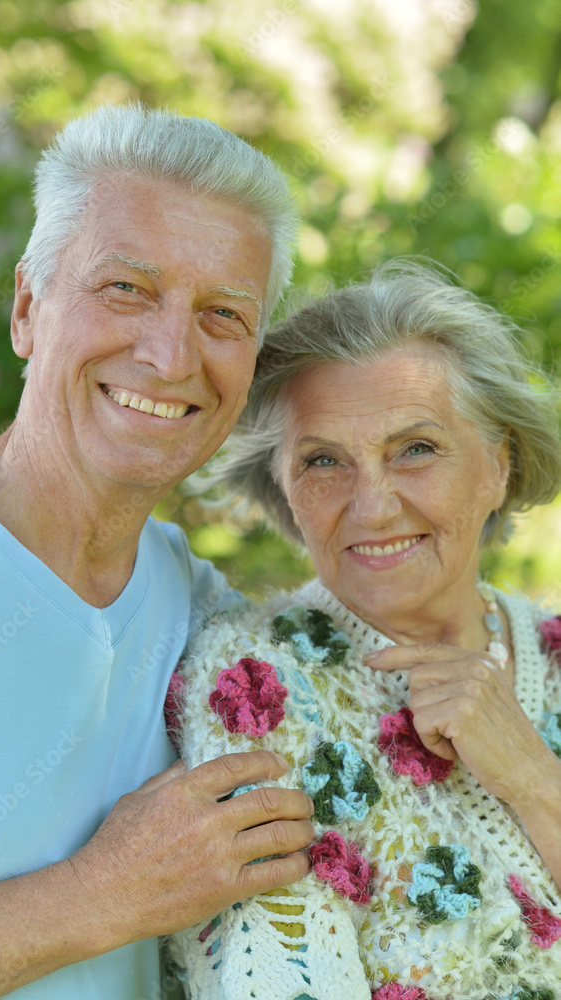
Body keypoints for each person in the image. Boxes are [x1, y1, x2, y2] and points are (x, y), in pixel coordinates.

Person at [0, 103, 317, 999]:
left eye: (222, 315)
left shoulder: (203, 616)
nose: (169, 356)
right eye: (125, 288)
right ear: (25, 309)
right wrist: (101, 895)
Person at [168, 260, 561, 1000]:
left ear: (498, 465)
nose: (373, 506)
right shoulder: (257, 683)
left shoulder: (554, 648)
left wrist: (535, 781)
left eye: (416, 448)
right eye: (324, 462)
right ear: (285, 494)